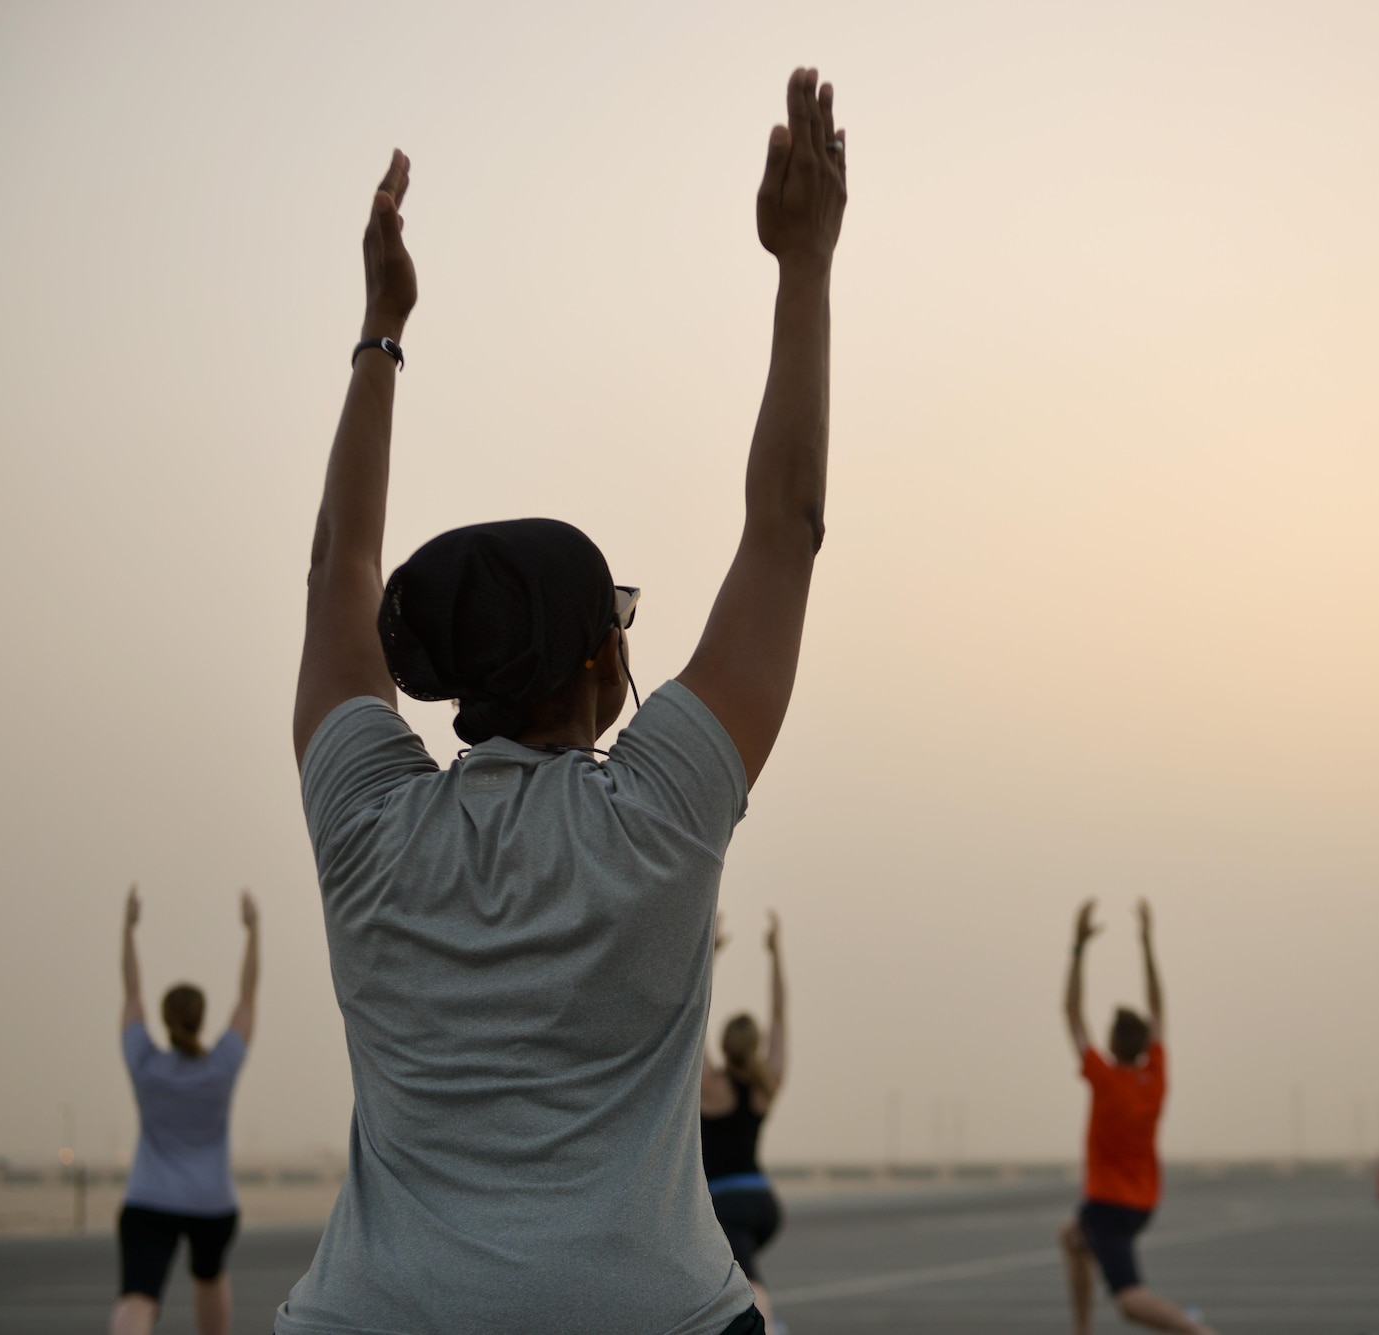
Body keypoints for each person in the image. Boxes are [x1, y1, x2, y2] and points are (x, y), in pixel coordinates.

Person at [280, 66, 844, 1335]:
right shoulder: (658, 814)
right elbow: (786, 530)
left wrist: (380, 333)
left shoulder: (367, 824)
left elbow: (335, 578)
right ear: (598, 667)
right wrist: (801, 267)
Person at [1059, 899, 1216, 1335]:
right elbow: (1159, 1006)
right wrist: (1146, 942)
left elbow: (1071, 1013)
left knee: (1129, 1300)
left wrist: (1077, 948)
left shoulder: (1104, 1079)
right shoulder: (1156, 1076)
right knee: (1071, 1237)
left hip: (1109, 1203)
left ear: (1111, 1044)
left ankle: (1199, 1332)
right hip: (1145, 1201)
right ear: (1146, 1043)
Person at [111, 884, 258, 1335]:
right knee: (210, 1281)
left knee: (138, 1299)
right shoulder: (221, 1066)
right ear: (201, 1016)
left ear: (164, 1016)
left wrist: (128, 928)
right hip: (211, 1203)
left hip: (148, 1199)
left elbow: (130, 989)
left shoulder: (144, 1061)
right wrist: (254, 930)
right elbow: (247, 998)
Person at [702, 912, 790, 1326]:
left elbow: (692, 1015)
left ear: (723, 1044)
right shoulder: (765, 1085)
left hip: (725, 1204)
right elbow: (779, 1017)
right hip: (763, 1204)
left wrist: (709, 956)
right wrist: (775, 956)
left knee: (751, 1282)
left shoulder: (711, 1088)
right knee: (727, 1275)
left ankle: (767, 1326)